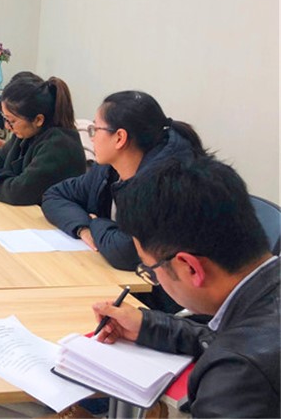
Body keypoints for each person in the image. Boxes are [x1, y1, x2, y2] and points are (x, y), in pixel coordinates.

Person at [92, 156, 278, 418]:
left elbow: (240, 349)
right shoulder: (259, 307)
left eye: (150, 271)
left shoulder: (237, 377)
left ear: (190, 267)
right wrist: (147, 325)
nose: (155, 279)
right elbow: (227, 336)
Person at [42, 91, 206, 310]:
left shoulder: (167, 183)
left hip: (162, 303)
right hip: (118, 285)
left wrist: (95, 222)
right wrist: (82, 228)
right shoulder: (108, 169)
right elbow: (55, 195)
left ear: (119, 138)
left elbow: (126, 250)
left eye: (95, 129)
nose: (92, 138)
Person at [0, 73, 86, 205]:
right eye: (5, 118)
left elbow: (20, 192)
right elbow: (0, 156)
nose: (7, 126)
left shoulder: (58, 144)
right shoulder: (27, 132)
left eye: (12, 121)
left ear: (38, 120)